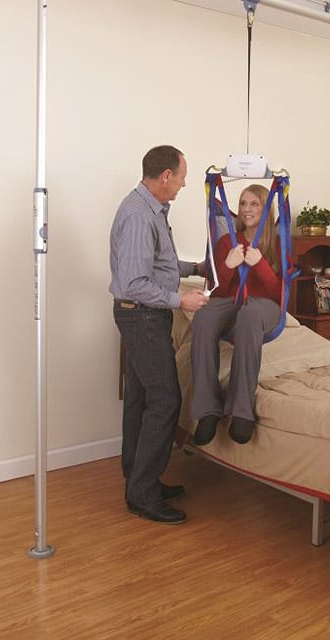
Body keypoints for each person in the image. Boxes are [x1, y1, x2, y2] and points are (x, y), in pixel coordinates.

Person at [109, 145, 208, 525]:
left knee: (141, 398)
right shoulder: (139, 215)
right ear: (166, 176)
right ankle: (143, 494)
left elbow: (158, 263)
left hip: (143, 317)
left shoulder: (150, 209)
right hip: (143, 317)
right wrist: (180, 300)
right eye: (181, 178)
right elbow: (135, 282)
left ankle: (139, 477)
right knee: (166, 399)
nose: (182, 185)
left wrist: (194, 266)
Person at [190, 184, 282, 446]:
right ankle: (207, 410)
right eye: (243, 203)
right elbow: (217, 292)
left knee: (250, 315)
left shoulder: (278, 241)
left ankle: (242, 412)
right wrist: (228, 266)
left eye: (254, 204)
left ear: (266, 209)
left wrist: (260, 264)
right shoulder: (226, 241)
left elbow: (280, 292)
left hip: (265, 304)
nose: (246, 209)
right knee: (204, 316)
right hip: (230, 300)